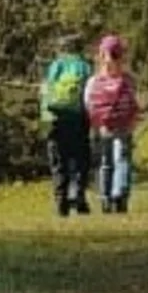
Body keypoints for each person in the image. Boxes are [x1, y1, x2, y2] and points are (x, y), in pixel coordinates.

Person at [40, 33, 94, 217]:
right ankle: (78, 195)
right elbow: (91, 95)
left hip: (56, 118)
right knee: (80, 160)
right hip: (79, 118)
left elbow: (45, 92)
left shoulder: (55, 66)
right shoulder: (85, 67)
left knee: (58, 161)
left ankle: (61, 199)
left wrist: (45, 122)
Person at [84, 34, 139, 215]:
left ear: (101, 55)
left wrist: (95, 122)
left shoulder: (94, 81)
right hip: (123, 125)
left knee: (105, 162)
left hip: (103, 126)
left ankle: (105, 198)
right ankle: (119, 194)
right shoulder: (128, 79)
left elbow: (88, 102)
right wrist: (133, 120)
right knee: (122, 159)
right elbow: (134, 101)